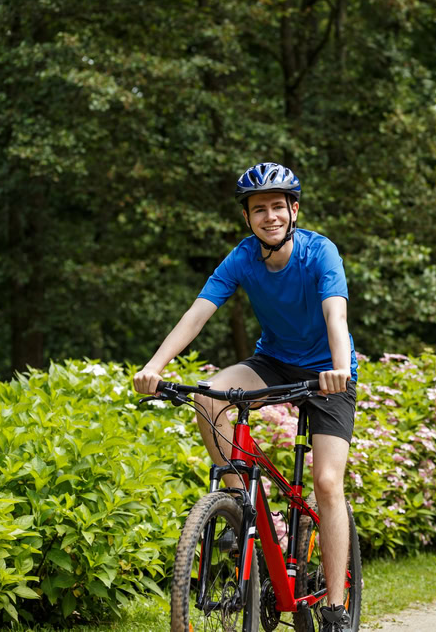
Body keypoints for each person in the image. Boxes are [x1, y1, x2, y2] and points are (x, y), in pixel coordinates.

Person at [132, 162, 357, 632]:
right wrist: (155, 366)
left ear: (294, 210)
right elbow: (198, 313)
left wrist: (337, 368)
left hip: (327, 373)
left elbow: (336, 314)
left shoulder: (320, 252)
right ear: (247, 218)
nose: (270, 216)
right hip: (273, 361)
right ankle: (242, 508)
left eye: (279, 206)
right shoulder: (241, 258)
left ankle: (335, 606)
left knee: (328, 483)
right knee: (210, 396)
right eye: (260, 209)